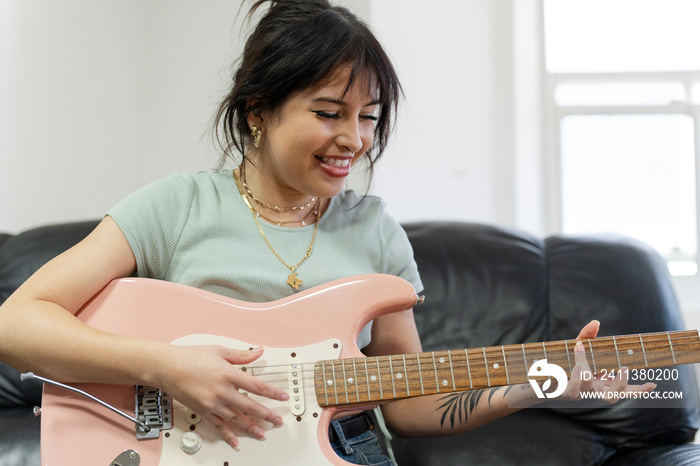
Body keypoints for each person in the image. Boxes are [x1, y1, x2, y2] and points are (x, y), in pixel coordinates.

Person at [0, 1, 655, 464]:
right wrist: (165, 365)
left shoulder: (375, 232)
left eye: (369, 117)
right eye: (328, 112)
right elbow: (16, 323)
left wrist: (547, 380)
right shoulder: (175, 205)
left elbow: (407, 406)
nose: (355, 140)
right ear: (257, 110)